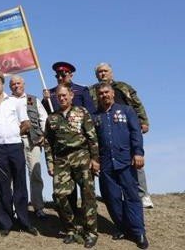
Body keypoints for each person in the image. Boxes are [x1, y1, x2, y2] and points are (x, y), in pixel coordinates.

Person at [0, 72, 38, 236]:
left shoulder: (15, 102)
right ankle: (5, 223)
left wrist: (13, 132)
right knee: (1, 186)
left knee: (20, 183)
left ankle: (24, 221)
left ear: (2, 84)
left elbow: (26, 123)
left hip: (15, 146)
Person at [93, 84, 149, 249]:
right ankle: (123, 228)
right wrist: (94, 159)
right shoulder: (95, 116)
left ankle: (138, 231)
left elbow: (135, 133)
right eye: (101, 93)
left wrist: (138, 152)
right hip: (106, 164)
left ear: (112, 93)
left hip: (125, 160)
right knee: (112, 198)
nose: (104, 95)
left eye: (106, 92)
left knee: (132, 196)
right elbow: (92, 141)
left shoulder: (126, 110)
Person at [90, 62, 153, 208]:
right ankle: (114, 196)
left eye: (105, 71)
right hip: (105, 128)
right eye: (100, 72)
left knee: (135, 160)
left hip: (126, 128)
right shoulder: (92, 90)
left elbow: (137, 104)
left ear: (111, 72)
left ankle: (143, 195)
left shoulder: (124, 87)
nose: (103, 74)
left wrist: (144, 121)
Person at [44, 85, 100, 248]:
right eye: (59, 96)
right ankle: (71, 229)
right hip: (61, 160)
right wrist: (50, 162)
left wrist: (95, 159)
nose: (61, 98)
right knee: (60, 195)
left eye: (64, 95)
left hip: (81, 155)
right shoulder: (52, 118)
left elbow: (92, 136)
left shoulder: (82, 112)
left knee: (88, 195)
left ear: (71, 95)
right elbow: (48, 142)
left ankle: (90, 232)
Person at [8, 75, 48, 217]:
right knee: (15, 175)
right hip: (14, 141)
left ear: (24, 84)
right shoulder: (6, 101)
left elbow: (43, 118)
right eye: (13, 84)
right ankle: (15, 207)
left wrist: (44, 135)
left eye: (18, 83)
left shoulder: (32, 99)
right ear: (10, 87)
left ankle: (38, 207)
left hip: (33, 141)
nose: (16, 86)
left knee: (35, 173)